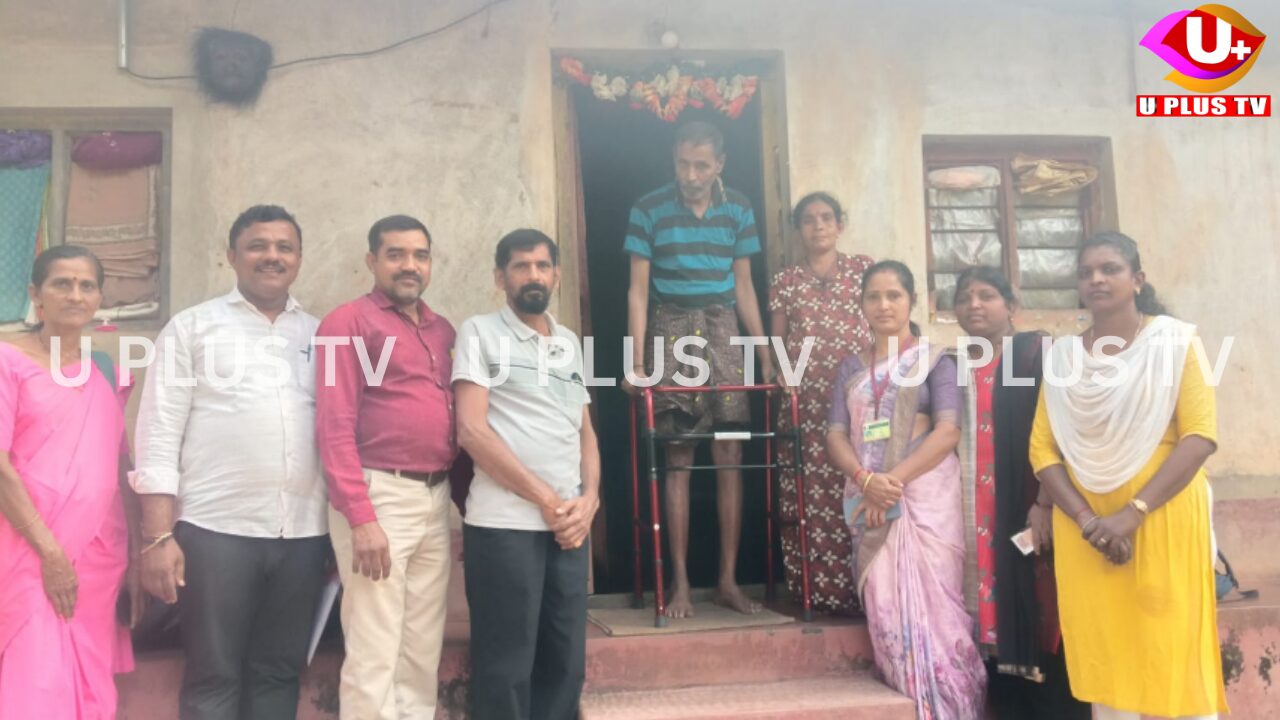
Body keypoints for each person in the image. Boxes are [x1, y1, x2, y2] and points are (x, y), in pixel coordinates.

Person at [132, 205, 330, 720]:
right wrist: (157, 537)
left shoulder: (322, 335)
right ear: (231, 256)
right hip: (215, 532)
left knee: (279, 671)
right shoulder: (192, 328)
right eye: (257, 246)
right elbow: (158, 433)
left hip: (304, 534)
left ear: (299, 258)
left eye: (284, 247)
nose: (272, 256)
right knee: (212, 674)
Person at [1030, 232, 1226, 720]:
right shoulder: (1063, 358)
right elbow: (1042, 448)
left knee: (1172, 645)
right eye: (1086, 273)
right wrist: (1089, 521)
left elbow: (1200, 435)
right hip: (1087, 530)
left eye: (1110, 269)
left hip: (1162, 517)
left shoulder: (1176, 342)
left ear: (1137, 279)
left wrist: (1132, 514)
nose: (1096, 279)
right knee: (1107, 649)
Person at [623, 120, 775, 618]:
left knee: (729, 452)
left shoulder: (739, 208)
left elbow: (745, 287)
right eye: (683, 164)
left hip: (724, 328)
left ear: (720, 164)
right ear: (673, 159)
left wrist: (765, 355)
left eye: (702, 165)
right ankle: (681, 584)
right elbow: (637, 291)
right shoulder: (648, 209)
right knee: (679, 455)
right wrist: (637, 362)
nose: (691, 175)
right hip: (671, 329)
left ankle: (727, 581)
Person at [826, 260, 985, 719]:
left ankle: (954, 707)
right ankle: (909, 699)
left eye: (894, 295)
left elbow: (948, 431)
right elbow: (835, 435)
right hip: (869, 499)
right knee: (887, 606)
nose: (884, 305)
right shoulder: (850, 368)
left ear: (912, 301)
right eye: (873, 297)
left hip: (925, 498)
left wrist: (890, 483)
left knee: (941, 608)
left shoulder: (936, 361)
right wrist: (866, 481)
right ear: (861, 304)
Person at [316, 215, 458, 720]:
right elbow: (333, 426)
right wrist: (361, 517)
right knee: (374, 644)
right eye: (395, 255)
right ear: (372, 261)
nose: (409, 265)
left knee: (421, 644)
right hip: (379, 495)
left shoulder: (441, 330)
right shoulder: (347, 323)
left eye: (420, 255)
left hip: (434, 496)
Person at [454, 229, 599, 720]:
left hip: (568, 528)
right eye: (520, 266)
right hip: (504, 526)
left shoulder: (569, 342)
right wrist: (547, 499)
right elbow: (472, 431)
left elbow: (584, 431)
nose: (533, 275)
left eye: (542, 265)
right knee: (506, 666)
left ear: (556, 274)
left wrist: (590, 500)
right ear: (501, 277)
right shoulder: (479, 332)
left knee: (565, 663)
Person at [0, 245, 139, 719]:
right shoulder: (8, 361)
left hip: (100, 558)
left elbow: (120, 467)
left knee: (90, 681)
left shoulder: (108, 372)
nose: (75, 295)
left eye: (86, 286)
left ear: (100, 298)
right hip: (28, 552)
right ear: (36, 294)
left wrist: (137, 554)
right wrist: (51, 553)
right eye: (62, 284)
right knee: (34, 681)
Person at [952, 267, 1088, 719]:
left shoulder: (1037, 355)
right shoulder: (954, 367)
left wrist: (1044, 503)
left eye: (987, 295)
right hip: (978, 516)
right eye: (964, 297)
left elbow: (1066, 431)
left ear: (1011, 306)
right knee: (991, 615)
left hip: (1032, 506)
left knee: (1041, 605)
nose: (974, 304)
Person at [768, 191, 875, 614]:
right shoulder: (786, 280)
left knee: (858, 480)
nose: (818, 226)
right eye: (809, 220)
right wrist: (783, 374)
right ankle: (816, 593)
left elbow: (880, 321)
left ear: (840, 224)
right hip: (806, 400)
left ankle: (864, 588)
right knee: (809, 494)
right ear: (798, 229)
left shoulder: (862, 269)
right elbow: (778, 340)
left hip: (857, 397)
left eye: (826, 217)